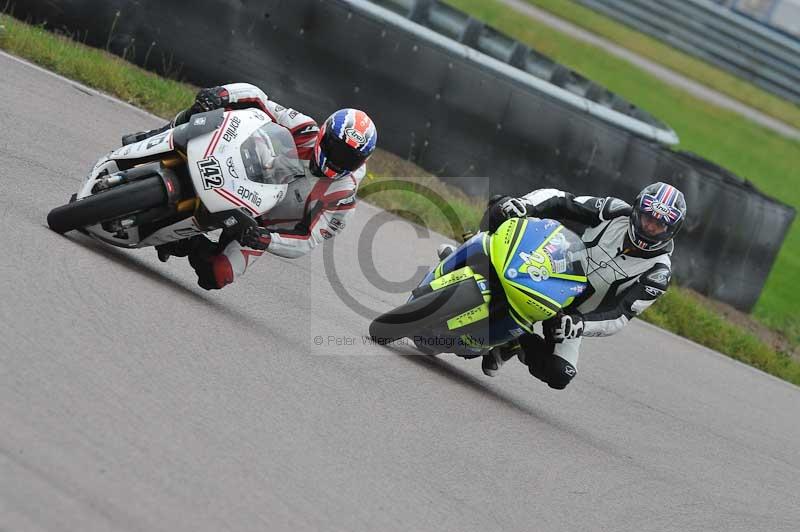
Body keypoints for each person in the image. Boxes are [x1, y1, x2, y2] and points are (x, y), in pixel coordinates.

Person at [123, 83, 377, 290]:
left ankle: (185, 241)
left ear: (361, 162)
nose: (337, 160)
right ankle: (154, 135)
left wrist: (265, 239)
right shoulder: (304, 128)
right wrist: (222, 94)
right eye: (336, 149)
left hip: (260, 223)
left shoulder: (342, 199)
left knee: (216, 275)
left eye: (348, 159)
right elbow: (258, 98)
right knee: (205, 113)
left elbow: (306, 240)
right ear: (324, 133)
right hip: (247, 172)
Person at [468, 183, 686, 389]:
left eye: (659, 225)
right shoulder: (614, 211)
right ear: (637, 211)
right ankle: (469, 254)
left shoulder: (658, 273)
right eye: (647, 218)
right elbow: (562, 200)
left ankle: (517, 341)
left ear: (671, 230)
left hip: (569, 314)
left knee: (560, 373)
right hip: (547, 269)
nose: (649, 227)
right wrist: (526, 204)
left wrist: (581, 324)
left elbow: (620, 316)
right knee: (502, 205)